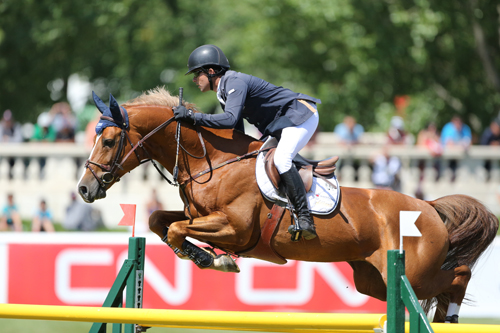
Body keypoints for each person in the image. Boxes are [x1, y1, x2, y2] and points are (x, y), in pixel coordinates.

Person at [173, 44, 321, 240]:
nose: (194, 79)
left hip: (300, 115)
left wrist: (192, 116)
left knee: (282, 159)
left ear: (210, 71)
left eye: (196, 74)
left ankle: (305, 218)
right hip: (283, 123)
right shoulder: (223, 91)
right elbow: (237, 132)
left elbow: (230, 119)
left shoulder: (234, 81)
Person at [440, 115, 472, 182]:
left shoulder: (465, 129)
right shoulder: (448, 128)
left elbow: (469, 143)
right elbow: (449, 144)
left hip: (461, 156)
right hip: (448, 156)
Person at [0, 109, 24, 179]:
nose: (7, 122)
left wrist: (8, 139)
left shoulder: (16, 126)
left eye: (9, 120)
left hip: (14, 153)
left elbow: (19, 140)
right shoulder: (1, 127)